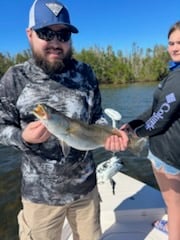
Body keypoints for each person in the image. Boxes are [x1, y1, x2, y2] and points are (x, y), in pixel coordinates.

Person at [0, 0, 110, 239]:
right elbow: (1, 127)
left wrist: (109, 136)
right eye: (46, 33)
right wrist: (22, 137)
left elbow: (98, 116)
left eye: (64, 35)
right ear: (30, 34)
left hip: (86, 192)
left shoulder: (86, 73)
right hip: (40, 199)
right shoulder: (14, 78)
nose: (56, 42)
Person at [105, 21, 180, 240]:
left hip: (168, 154)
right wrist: (134, 122)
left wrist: (133, 135)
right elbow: (155, 108)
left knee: (174, 205)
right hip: (168, 150)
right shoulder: (174, 73)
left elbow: (160, 118)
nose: (175, 47)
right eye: (171, 43)